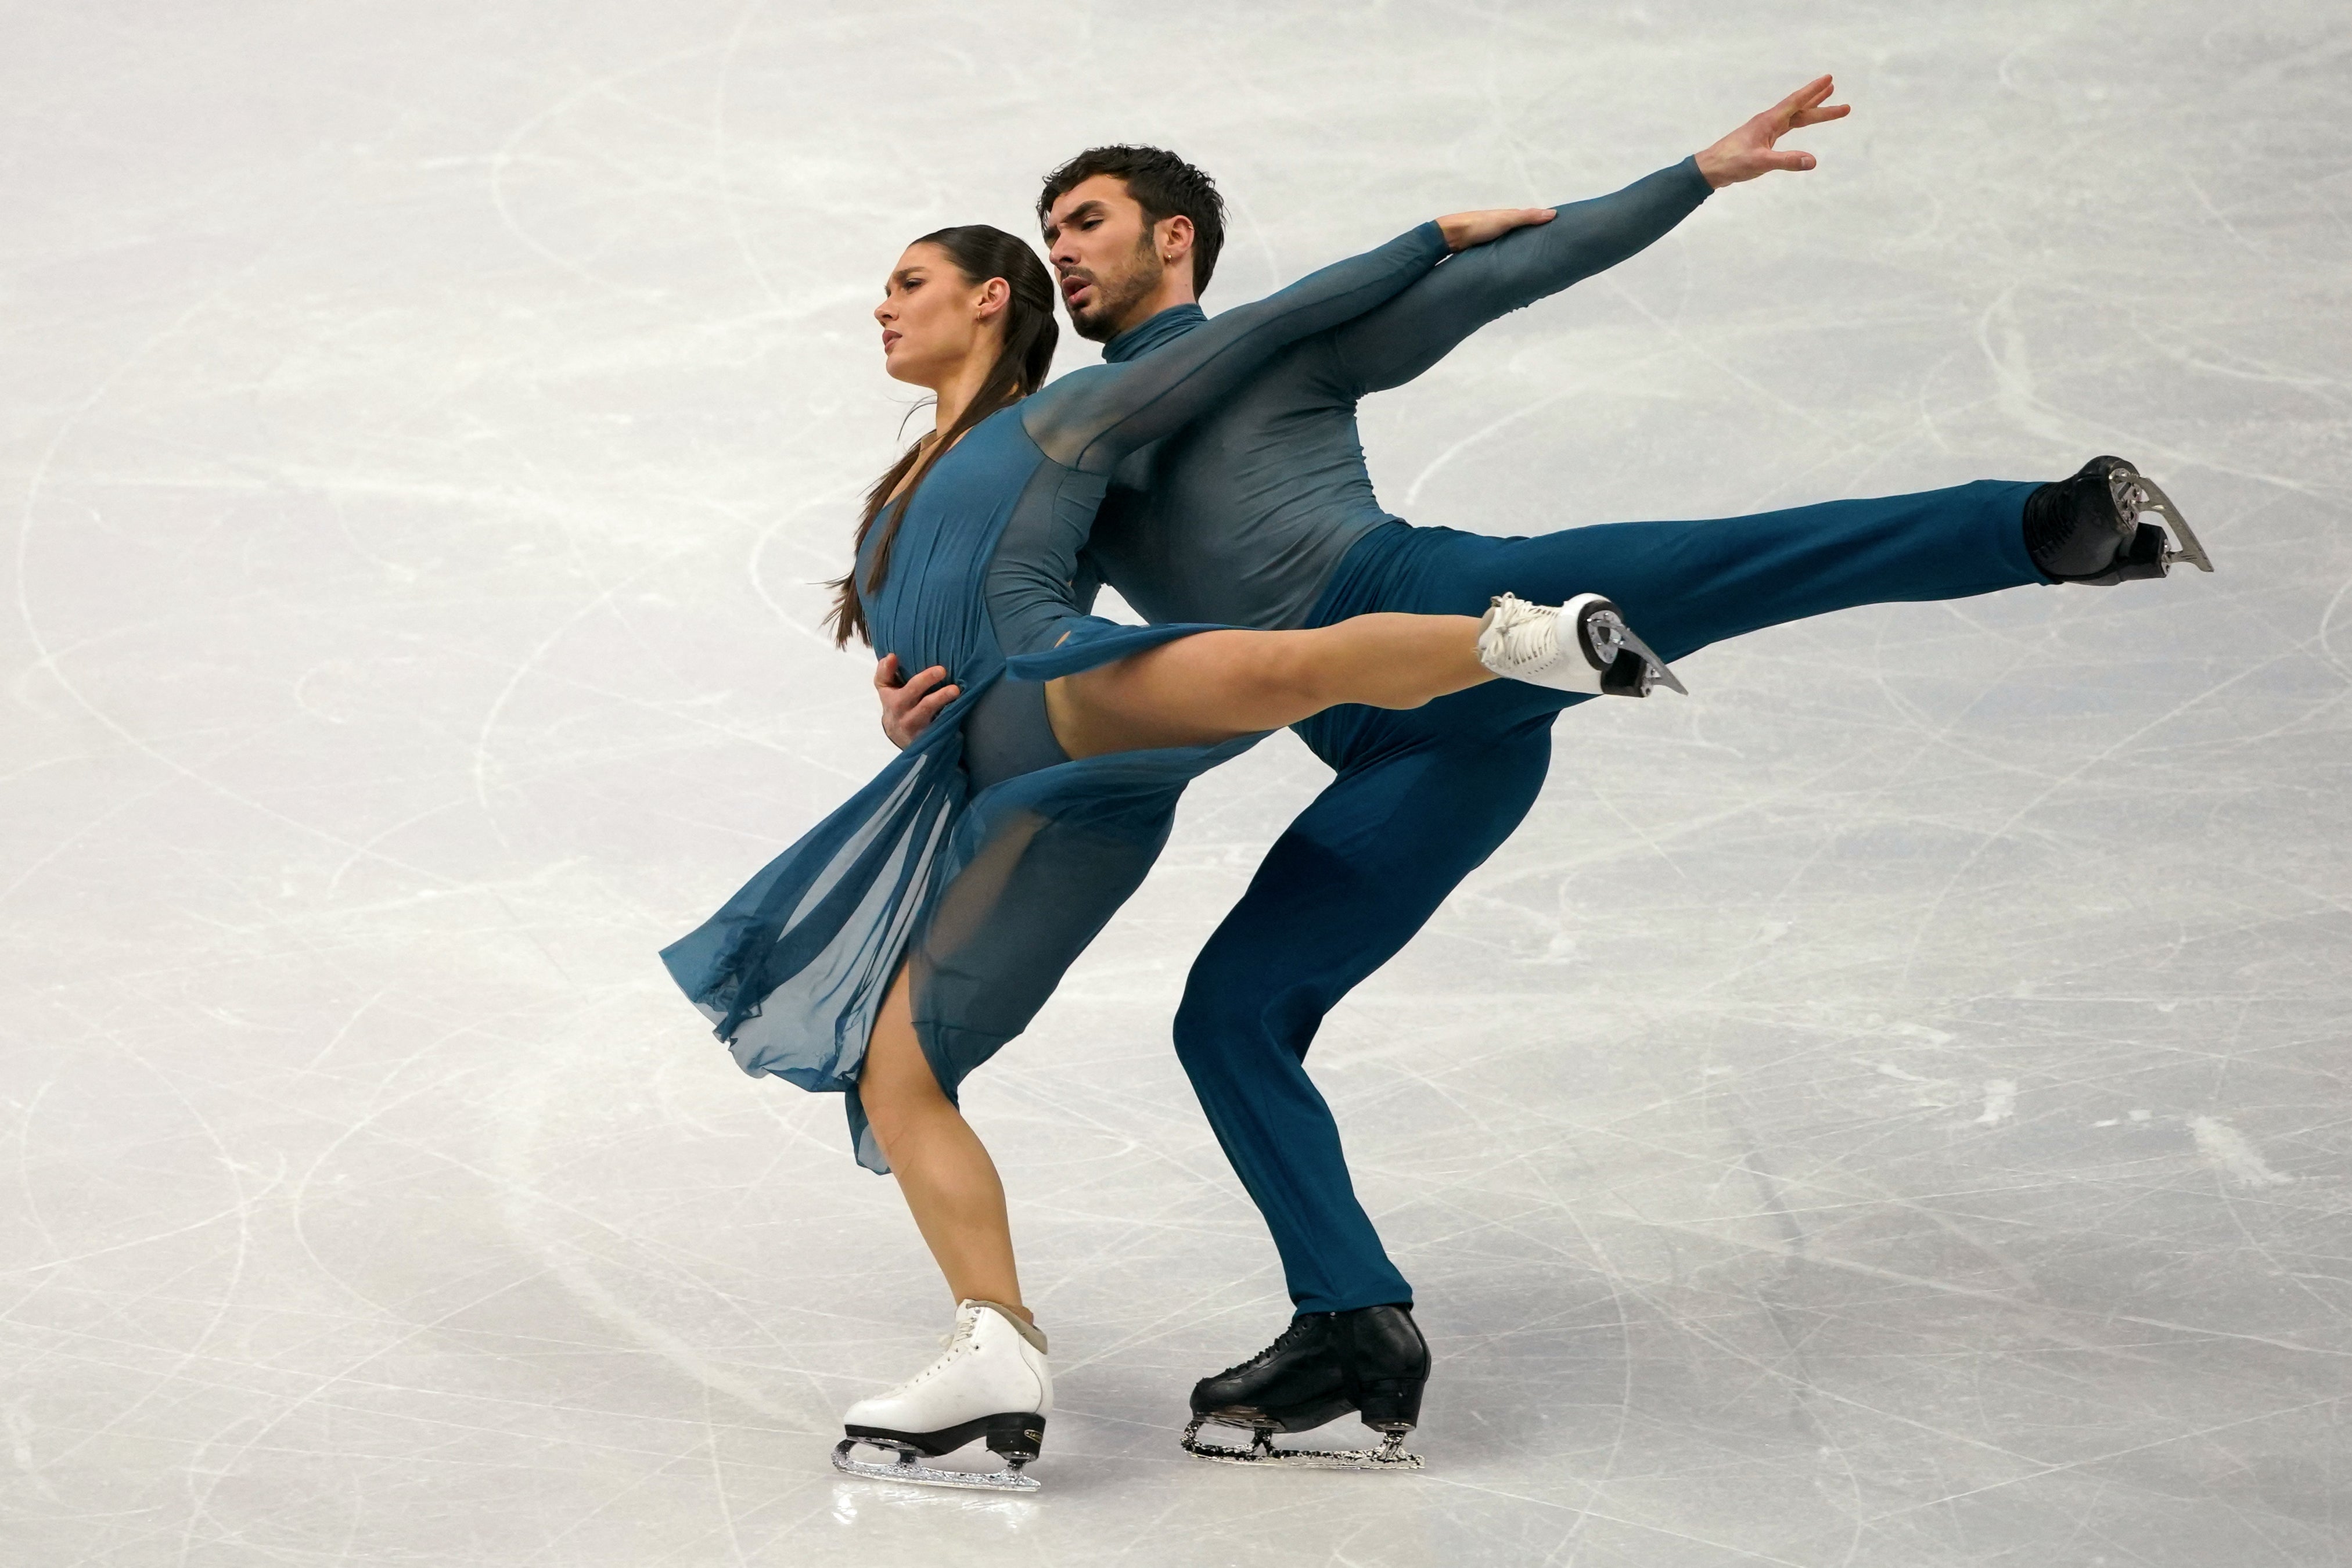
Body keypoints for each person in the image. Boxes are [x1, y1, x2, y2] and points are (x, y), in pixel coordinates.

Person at [875, 75, 2213, 1469]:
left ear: (1176, 241)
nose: (1063, 249)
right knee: (1229, 1017)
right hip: (1407, 757)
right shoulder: (1082, 441)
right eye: (1050, 231)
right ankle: (1352, 1324)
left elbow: (1506, 274)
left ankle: (2047, 527)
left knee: (1723, 563)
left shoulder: (1285, 352)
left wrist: (1697, 171)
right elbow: (1015, 615)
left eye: (1088, 221)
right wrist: (923, 704)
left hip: (1430, 597)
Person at [661, 207, 1672, 1491]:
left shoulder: (1064, 418)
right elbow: (915, 633)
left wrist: (1426, 239)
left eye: (910, 281)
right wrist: (897, 704)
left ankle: (1525, 641)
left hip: (1059, 692)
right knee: (897, 1075)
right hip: (990, 784)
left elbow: (1270, 326)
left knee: (1269, 667)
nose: (883, 304)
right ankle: (993, 1349)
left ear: (989, 299)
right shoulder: (906, 479)